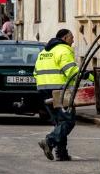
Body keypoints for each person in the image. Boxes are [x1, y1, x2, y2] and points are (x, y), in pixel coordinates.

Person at [34, 29, 92, 161]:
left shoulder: (44, 52)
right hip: (60, 90)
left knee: (59, 122)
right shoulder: (64, 50)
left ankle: (61, 153)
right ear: (65, 38)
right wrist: (89, 76)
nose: (73, 41)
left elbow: (36, 72)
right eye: (72, 38)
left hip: (43, 90)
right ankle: (49, 141)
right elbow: (71, 71)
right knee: (68, 121)